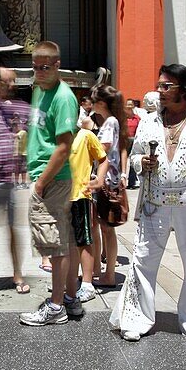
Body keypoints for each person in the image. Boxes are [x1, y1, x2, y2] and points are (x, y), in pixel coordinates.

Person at [111, 64, 186, 342]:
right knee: (143, 259)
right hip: (155, 202)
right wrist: (142, 162)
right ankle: (135, 318)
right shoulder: (149, 121)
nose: (160, 92)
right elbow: (135, 155)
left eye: (167, 86)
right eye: (159, 86)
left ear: (185, 89)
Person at [19, 41, 81, 326]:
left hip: (53, 178)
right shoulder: (39, 92)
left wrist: (42, 182)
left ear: (57, 65)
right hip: (44, 175)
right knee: (63, 241)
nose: (39, 72)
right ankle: (69, 298)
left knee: (54, 243)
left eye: (45, 67)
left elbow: (63, 146)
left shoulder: (62, 96)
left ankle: (56, 306)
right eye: (35, 67)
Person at [90, 85, 129, 287]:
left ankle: (109, 274)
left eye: (94, 100)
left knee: (106, 228)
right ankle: (98, 269)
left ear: (101, 103)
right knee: (99, 226)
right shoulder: (111, 121)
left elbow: (101, 148)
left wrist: (86, 133)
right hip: (106, 180)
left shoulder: (110, 122)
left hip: (105, 182)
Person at [68, 115, 108, 303]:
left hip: (80, 194)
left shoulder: (86, 135)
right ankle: (69, 280)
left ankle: (87, 283)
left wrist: (99, 179)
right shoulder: (55, 138)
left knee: (83, 240)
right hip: (59, 196)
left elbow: (103, 159)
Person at [125, 99, 142, 189]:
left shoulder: (137, 118)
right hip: (124, 140)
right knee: (122, 160)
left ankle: (131, 182)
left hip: (134, 140)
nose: (129, 106)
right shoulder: (123, 117)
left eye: (131, 104)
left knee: (132, 161)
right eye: (128, 104)